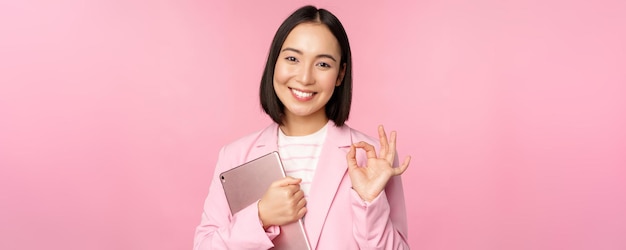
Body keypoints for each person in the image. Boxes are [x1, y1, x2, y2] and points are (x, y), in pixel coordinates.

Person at [194, 5, 411, 249]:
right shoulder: (234, 156)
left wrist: (369, 202)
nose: (305, 77)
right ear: (274, 62)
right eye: (292, 59)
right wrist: (261, 216)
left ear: (340, 75)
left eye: (323, 65)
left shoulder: (372, 158)